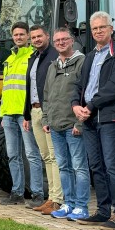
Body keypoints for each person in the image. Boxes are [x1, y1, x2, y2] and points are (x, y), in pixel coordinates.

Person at [72, 11, 115, 230]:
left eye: (101, 27)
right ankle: (103, 211)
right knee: (96, 166)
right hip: (88, 119)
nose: (97, 31)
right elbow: (79, 86)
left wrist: (90, 106)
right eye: (94, 28)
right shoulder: (89, 57)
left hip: (107, 117)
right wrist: (75, 106)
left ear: (110, 29)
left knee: (112, 166)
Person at [42, 28, 90, 220]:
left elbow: (86, 93)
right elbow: (47, 96)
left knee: (79, 167)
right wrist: (46, 119)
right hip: (55, 126)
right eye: (57, 40)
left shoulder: (82, 62)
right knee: (64, 167)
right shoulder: (53, 66)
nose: (61, 43)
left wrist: (80, 123)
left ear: (72, 41)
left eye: (64, 39)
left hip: (73, 126)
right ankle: (68, 204)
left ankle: (82, 206)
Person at [0, 21, 44, 206]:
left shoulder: (32, 57)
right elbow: (7, 90)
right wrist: (2, 114)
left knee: (32, 154)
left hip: (24, 114)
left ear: (28, 37)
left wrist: (28, 114)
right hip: (9, 114)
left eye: (22, 35)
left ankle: (37, 194)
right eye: (15, 35)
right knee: (13, 155)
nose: (18, 37)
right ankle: (16, 193)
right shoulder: (9, 60)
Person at [22, 24, 62, 212]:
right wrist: (26, 115)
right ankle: (51, 198)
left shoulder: (54, 56)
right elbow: (29, 88)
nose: (37, 39)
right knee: (45, 156)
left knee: (54, 156)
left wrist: (49, 112)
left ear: (48, 36)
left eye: (40, 36)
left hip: (49, 112)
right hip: (34, 111)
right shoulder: (33, 58)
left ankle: (57, 199)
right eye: (34, 37)